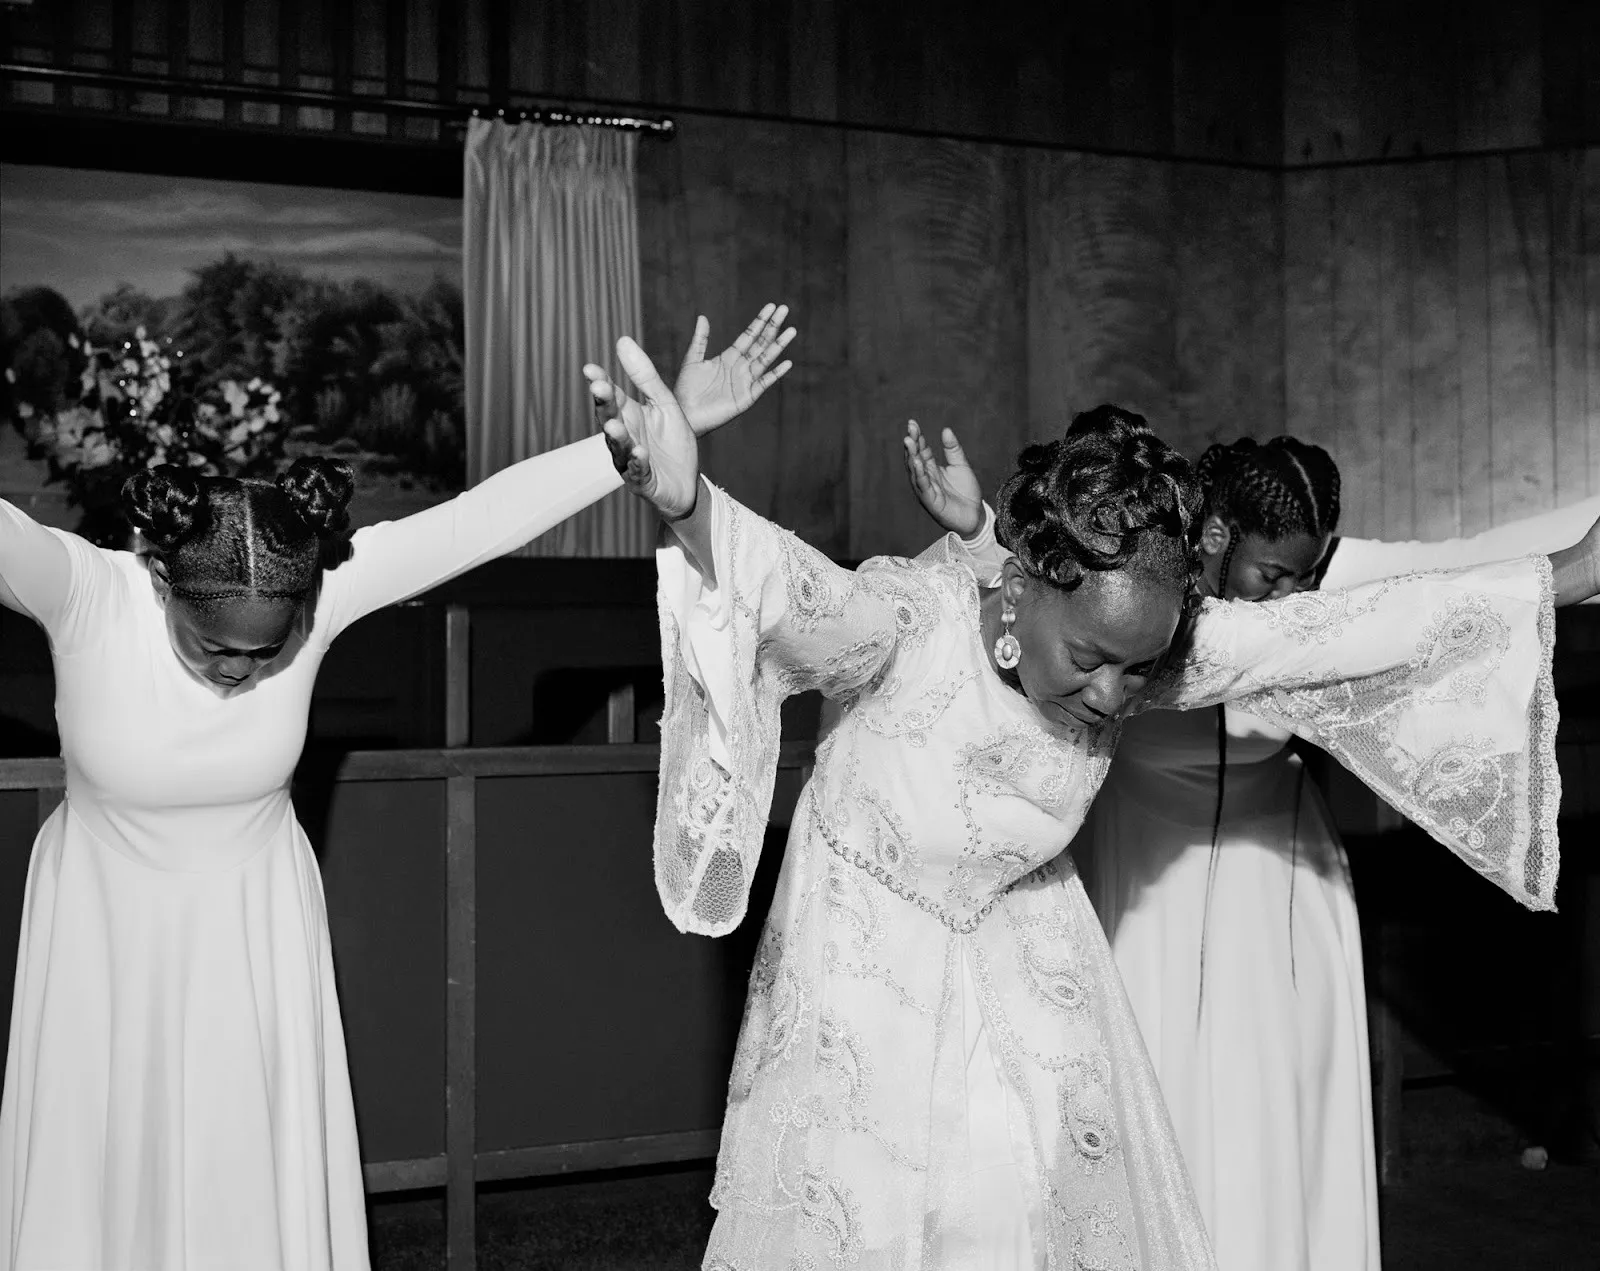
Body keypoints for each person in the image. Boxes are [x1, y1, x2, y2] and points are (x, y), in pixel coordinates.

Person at [587, 335, 1596, 1269]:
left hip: (1022, 949)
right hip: (862, 958)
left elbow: (1353, 630)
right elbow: (796, 594)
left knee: (1024, 1212)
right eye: (1091, 658)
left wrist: (1576, 570)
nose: (1115, 694)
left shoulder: (1144, 651)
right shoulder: (908, 620)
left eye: (1139, 666)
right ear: (1023, 585)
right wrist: (689, 507)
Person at [0, 305, 794, 1271]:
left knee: (242, 1184)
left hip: (253, 938)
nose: (240, 672)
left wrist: (628, 446)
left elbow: (472, 524)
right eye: (214, 648)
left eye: (265, 650)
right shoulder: (85, 591)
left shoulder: (322, 592)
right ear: (160, 580)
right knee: (104, 1179)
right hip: (102, 935)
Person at [902, 418, 1600, 1270]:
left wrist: (1575, 565)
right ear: (1220, 537)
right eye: (1272, 575)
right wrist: (977, 532)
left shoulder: (1306, 586)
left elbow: (1437, 581)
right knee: (1155, 1102)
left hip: (1283, 880)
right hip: (1148, 866)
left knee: (1274, 1103)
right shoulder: (1150, 581)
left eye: (1304, 577)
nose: (1289, 596)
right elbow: (1043, 592)